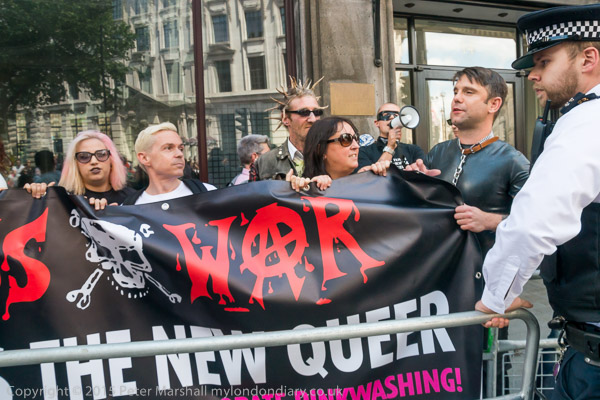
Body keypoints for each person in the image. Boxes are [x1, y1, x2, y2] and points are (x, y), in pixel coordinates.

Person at [473, 5, 600, 398]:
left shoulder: (587, 120)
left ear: (588, 58)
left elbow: (533, 223)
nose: (533, 74)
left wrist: (496, 296)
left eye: (545, 61)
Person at [407, 67, 529, 255]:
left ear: (493, 104)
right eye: (455, 91)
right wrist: (415, 184)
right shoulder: (439, 151)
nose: (457, 98)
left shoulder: (513, 160)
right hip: (439, 263)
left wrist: (489, 221)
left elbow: (537, 222)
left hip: (487, 268)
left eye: (469, 92)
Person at [24, 130, 134, 209]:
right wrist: (33, 197)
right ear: (75, 164)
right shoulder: (64, 202)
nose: (94, 161)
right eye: (84, 157)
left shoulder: (133, 199)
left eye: (101, 154)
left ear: (111, 159)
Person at [250, 77, 325, 181]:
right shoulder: (264, 163)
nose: (312, 119)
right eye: (304, 112)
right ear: (285, 118)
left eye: (316, 112)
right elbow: (253, 191)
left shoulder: (332, 156)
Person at [287, 117, 390, 192]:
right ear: (321, 150)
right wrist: (305, 190)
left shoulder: (366, 180)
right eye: (346, 139)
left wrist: (381, 178)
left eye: (356, 138)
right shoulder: (306, 188)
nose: (356, 146)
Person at [122, 122, 216, 205]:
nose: (179, 154)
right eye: (168, 148)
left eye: (181, 149)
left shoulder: (208, 193)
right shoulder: (130, 207)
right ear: (144, 158)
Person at [357, 103, 425, 170]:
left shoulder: (414, 150)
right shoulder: (363, 152)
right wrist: (390, 147)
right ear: (377, 123)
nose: (392, 117)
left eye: (396, 116)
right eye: (386, 115)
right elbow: (368, 175)